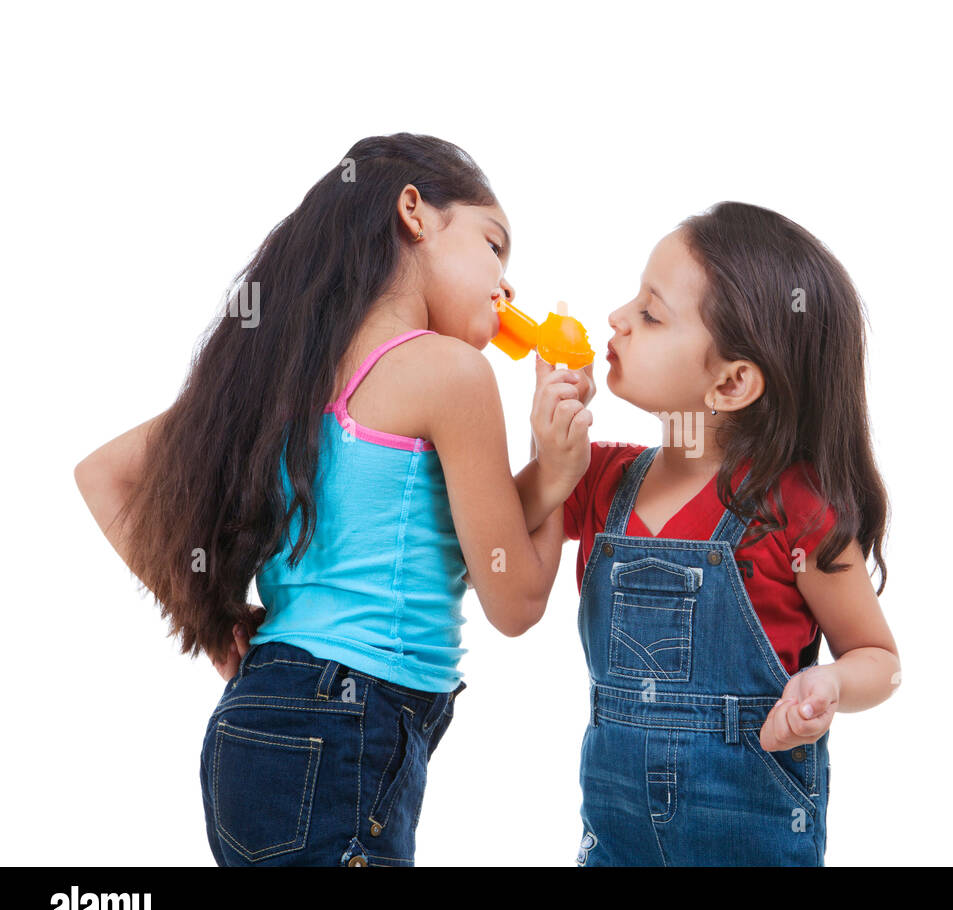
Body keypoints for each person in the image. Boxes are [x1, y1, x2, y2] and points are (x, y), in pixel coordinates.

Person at [72, 133, 593, 866]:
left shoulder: (280, 374)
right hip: (343, 728)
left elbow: (103, 475)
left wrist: (218, 622)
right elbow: (516, 599)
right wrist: (561, 470)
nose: (507, 284)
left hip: (258, 722)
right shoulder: (452, 374)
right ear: (414, 211)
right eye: (495, 245)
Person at [548, 201, 900, 865]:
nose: (616, 319)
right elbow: (489, 530)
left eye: (650, 314)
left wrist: (828, 687)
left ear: (732, 381)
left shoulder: (797, 509)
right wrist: (549, 451)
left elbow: (878, 659)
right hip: (615, 841)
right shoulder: (596, 478)